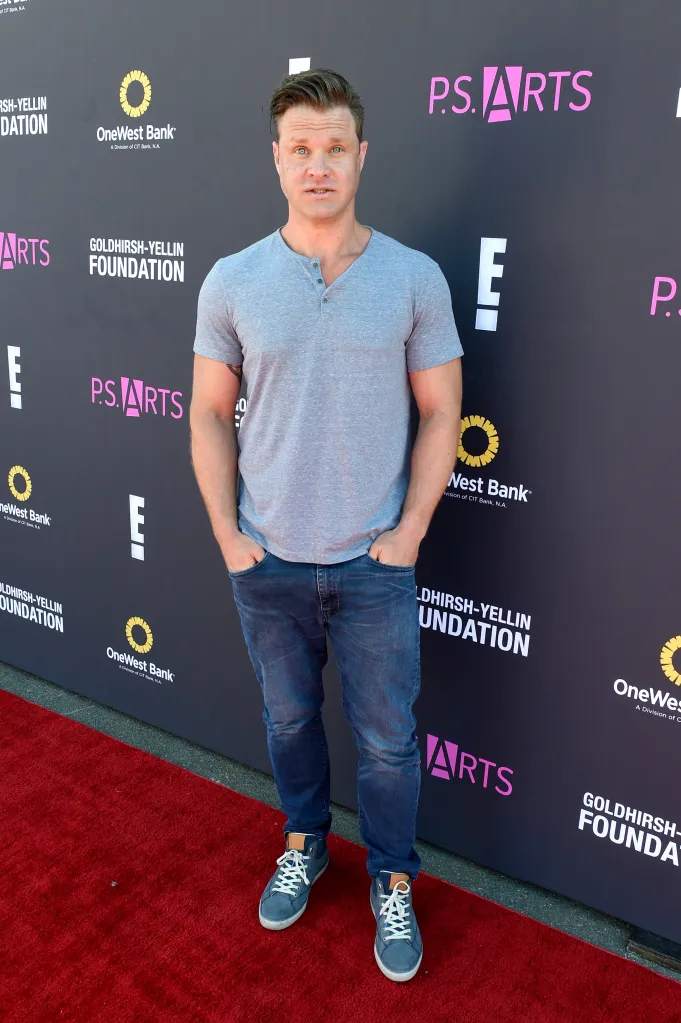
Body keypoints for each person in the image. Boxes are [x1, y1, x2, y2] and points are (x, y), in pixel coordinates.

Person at [189, 68, 463, 983]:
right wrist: (229, 535)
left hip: (375, 563)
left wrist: (410, 530)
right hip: (266, 561)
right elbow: (206, 412)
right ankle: (304, 841)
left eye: (334, 147)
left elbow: (441, 412)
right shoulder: (232, 280)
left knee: (387, 742)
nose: (318, 165)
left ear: (361, 156)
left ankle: (392, 877)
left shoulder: (413, 277)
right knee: (288, 719)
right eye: (301, 149)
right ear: (276, 160)